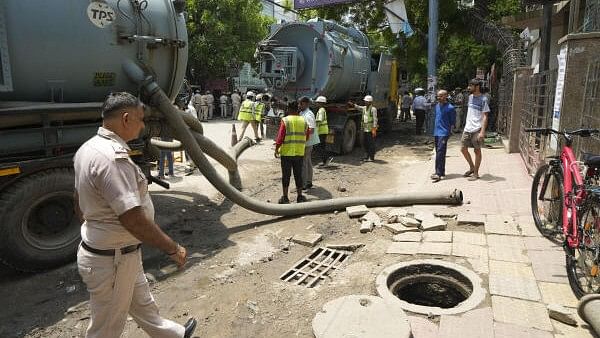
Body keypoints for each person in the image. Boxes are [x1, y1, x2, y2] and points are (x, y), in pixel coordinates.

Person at [73, 92, 196, 338]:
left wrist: (96, 226)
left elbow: (78, 198)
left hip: (119, 253)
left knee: (143, 304)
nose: (143, 126)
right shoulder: (112, 159)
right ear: (126, 119)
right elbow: (132, 219)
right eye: (141, 120)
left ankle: (175, 335)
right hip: (113, 259)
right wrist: (172, 247)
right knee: (106, 328)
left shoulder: (88, 148)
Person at [274, 101, 308, 204]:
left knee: (286, 175)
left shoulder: (286, 120)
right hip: (299, 153)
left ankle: (285, 198)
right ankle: (300, 196)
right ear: (297, 109)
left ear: (288, 109)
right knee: (298, 175)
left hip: (287, 153)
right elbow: (306, 136)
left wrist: (276, 149)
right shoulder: (304, 120)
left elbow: (280, 137)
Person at [461, 78, 490, 180]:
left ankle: (476, 173)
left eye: (471, 86)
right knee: (463, 149)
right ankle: (472, 167)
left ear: (477, 86)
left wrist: (482, 131)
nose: (469, 87)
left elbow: (485, 116)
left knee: (477, 151)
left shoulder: (483, 99)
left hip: (477, 129)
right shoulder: (470, 97)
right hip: (467, 128)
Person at [431, 90, 456, 182]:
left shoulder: (450, 108)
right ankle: (441, 172)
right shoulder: (437, 106)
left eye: (441, 96)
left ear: (446, 96)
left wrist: (450, 132)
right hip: (436, 132)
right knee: (438, 152)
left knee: (440, 152)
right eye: (438, 96)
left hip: (444, 133)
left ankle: (438, 173)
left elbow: (452, 122)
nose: (439, 98)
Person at [349, 95, 378, 161]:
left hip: (371, 130)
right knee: (365, 143)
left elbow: (375, 119)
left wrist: (374, 129)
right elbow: (358, 107)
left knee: (371, 144)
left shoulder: (373, 109)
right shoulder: (364, 108)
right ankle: (366, 156)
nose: (365, 102)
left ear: (370, 102)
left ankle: (371, 157)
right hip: (365, 129)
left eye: (367, 101)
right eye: (365, 101)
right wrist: (353, 104)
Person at [299, 96, 319, 190]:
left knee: (304, 162)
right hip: (306, 142)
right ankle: (309, 182)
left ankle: (304, 184)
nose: (299, 105)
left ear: (306, 104)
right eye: (299, 103)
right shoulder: (303, 112)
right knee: (308, 162)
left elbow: (311, 130)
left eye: (301, 103)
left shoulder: (308, 114)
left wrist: (302, 137)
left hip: (307, 142)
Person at [314, 96, 333, 166]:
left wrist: (313, 122)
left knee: (317, 146)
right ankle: (325, 162)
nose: (316, 104)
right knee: (322, 146)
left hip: (321, 131)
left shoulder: (321, 110)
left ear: (321, 103)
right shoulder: (322, 109)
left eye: (317, 102)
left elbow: (320, 120)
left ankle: (328, 157)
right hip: (323, 130)